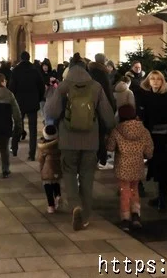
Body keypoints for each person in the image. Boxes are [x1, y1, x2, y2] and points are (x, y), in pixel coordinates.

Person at [44, 53, 115, 231]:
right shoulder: (96, 86)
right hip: (90, 140)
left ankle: (74, 205)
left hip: (68, 140)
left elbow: (51, 112)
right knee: (87, 176)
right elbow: (107, 115)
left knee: (68, 172)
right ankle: (85, 216)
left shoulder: (64, 86)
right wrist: (109, 128)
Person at [106, 104, 153, 232]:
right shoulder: (143, 130)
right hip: (137, 165)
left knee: (124, 191)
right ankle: (136, 215)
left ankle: (125, 218)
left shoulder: (117, 130)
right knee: (134, 189)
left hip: (123, 166)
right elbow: (149, 150)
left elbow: (110, 147)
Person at [139, 70, 167, 211]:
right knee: (156, 167)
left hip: (163, 137)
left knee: (162, 168)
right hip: (151, 136)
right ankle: (162, 195)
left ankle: (162, 196)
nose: (155, 81)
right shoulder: (146, 97)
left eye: (158, 79)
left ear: (162, 81)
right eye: (152, 79)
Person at [8, 52, 44, 160]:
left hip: (19, 102)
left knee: (18, 126)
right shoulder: (35, 71)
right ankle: (31, 154)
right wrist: (38, 98)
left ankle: (14, 149)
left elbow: (12, 88)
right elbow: (41, 86)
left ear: (20, 58)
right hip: (32, 102)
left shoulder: (16, 71)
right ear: (29, 58)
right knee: (33, 130)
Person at [88, 53, 116, 170]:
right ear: (103, 61)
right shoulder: (102, 74)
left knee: (95, 134)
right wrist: (112, 107)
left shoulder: (90, 71)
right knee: (102, 134)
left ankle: (95, 158)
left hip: (91, 107)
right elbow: (107, 92)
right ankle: (102, 160)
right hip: (101, 107)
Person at [37, 124, 62, 214]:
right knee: (56, 183)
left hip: (46, 170)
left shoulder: (43, 147)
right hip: (57, 169)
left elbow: (40, 159)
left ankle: (51, 206)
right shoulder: (59, 145)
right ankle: (58, 196)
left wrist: (41, 169)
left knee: (48, 187)